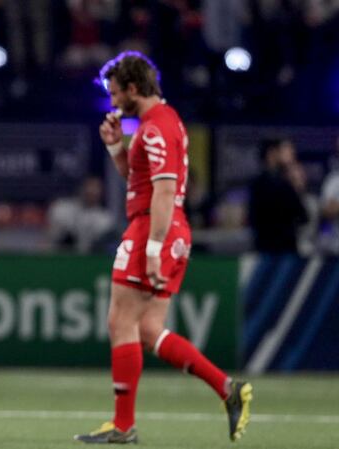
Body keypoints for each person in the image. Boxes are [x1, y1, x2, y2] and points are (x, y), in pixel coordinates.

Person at [73, 51, 252, 444]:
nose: (113, 101)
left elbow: (166, 191)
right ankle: (227, 388)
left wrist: (152, 248)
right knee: (150, 330)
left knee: (120, 322)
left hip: (154, 229)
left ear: (134, 88)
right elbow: (141, 178)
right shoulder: (160, 124)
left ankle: (123, 426)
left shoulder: (156, 128)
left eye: (116, 93)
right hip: (168, 229)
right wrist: (116, 148)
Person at [248, 138, 307, 253]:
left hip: (265, 246)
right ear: (272, 154)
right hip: (282, 249)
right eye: (281, 151)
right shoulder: (282, 183)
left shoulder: (257, 183)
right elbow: (302, 215)